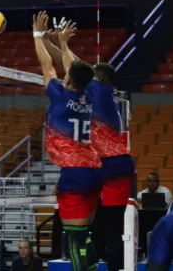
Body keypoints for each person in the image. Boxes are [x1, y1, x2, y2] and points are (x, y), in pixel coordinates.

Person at [41, 26, 133, 271]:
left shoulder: (97, 91)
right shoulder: (96, 93)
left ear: (99, 80)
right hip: (100, 165)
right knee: (94, 233)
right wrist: (54, 42)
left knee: (106, 233)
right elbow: (71, 66)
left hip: (112, 163)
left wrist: (43, 39)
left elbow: (70, 66)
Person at [32, 11, 101, 271]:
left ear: (69, 79)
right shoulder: (92, 95)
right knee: (85, 235)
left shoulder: (60, 96)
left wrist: (37, 35)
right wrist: (61, 44)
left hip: (75, 175)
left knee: (73, 238)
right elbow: (73, 68)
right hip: (95, 171)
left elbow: (48, 66)